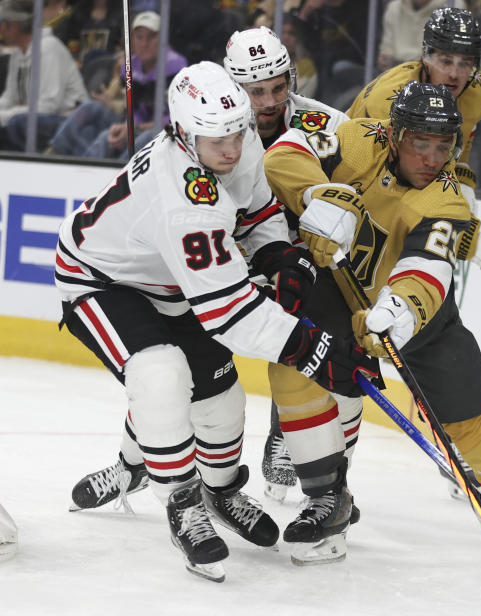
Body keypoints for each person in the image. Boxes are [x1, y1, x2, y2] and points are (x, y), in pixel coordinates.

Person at [57, 61, 374, 581]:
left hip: (171, 280)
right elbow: (229, 313)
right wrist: (310, 347)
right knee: (161, 376)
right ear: (183, 134)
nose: (230, 149)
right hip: (103, 281)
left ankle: (221, 490)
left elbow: (256, 208)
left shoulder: (234, 139)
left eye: (236, 132)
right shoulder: (184, 198)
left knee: (222, 399)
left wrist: (278, 254)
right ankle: (182, 503)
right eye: (215, 140)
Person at [263, 81, 481, 560]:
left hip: (418, 316)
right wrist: (318, 194)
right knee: (294, 359)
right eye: (419, 144)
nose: (431, 158)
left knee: (476, 416)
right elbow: (284, 153)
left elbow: (426, 269)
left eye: (442, 147)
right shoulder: (360, 140)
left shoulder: (446, 201)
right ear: (394, 133)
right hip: (336, 294)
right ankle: (327, 500)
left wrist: (400, 309)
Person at [223, 25, 360, 503]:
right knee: (185, 359)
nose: (269, 101)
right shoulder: (211, 130)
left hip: (307, 261)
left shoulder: (329, 124)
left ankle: (295, 437)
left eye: (278, 87)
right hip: (237, 259)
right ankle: (137, 457)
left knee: (324, 345)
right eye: (255, 91)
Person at [348, 7, 481, 213]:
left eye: (465, 64)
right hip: (356, 172)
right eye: (446, 61)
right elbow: (361, 166)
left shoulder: (478, 91)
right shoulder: (388, 99)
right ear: (425, 55)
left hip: (413, 171)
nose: (454, 74)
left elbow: (460, 150)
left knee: (463, 203)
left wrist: (460, 183)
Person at [47, 11, 187, 158]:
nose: (144, 43)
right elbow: (132, 109)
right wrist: (124, 124)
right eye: (139, 37)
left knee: (143, 139)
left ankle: (121, 177)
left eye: (151, 37)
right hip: (134, 125)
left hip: (162, 131)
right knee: (93, 113)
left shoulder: (177, 68)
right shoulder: (129, 66)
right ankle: (53, 153)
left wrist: (133, 127)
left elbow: (176, 120)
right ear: (132, 40)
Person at [0, 0, 87, 151]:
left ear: (15, 25)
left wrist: (4, 116)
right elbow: (9, 97)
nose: (0, 28)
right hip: (37, 117)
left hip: (69, 120)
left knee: (17, 123)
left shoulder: (48, 48)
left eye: (3, 23)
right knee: (14, 122)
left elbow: (48, 106)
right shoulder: (17, 52)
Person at [377, 0, 465, 72]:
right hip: (397, 72)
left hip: (433, 74)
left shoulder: (453, 5)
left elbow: (452, 56)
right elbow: (386, 52)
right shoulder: (394, 7)